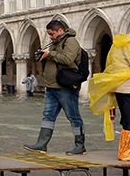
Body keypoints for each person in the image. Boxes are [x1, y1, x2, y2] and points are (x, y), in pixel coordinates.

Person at [87, 20, 130, 161]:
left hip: (119, 85)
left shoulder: (117, 43)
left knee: (126, 117)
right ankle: (126, 152)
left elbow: (110, 63)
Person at [23, 20, 87, 155]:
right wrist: (43, 56)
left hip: (65, 87)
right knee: (48, 115)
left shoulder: (71, 41)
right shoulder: (54, 43)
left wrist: (50, 54)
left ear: (60, 31)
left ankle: (80, 146)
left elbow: (68, 59)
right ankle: (41, 144)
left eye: (52, 34)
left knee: (73, 116)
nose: (50, 37)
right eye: (49, 34)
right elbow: (55, 61)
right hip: (51, 86)